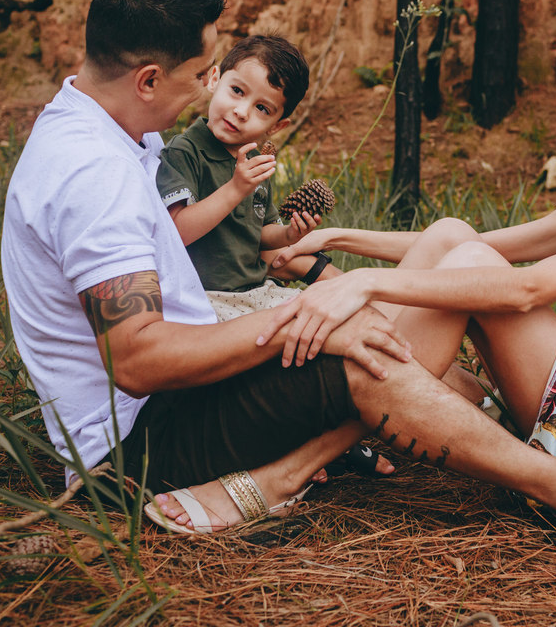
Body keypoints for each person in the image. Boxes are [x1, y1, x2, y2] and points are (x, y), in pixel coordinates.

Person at [1, 0, 556, 539]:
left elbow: (485, 260)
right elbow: (139, 358)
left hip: (181, 401)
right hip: (139, 449)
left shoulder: (109, 134)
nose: (210, 90)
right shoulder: (93, 175)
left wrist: (340, 271)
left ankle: (288, 469)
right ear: (148, 80)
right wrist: (305, 318)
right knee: (369, 356)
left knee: (389, 309)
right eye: (204, 73)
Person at [262, 41, 556, 474]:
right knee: (453, 234)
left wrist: (366, 282)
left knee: (467, 265)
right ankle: (325, 407)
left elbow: (526, 289)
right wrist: (334, 238)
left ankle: (303, 452)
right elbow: (459, 244)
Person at [154, 33, 391, 475]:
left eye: (262, 108)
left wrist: (287, 234)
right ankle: (298, 449)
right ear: (214, 79)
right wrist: (236, 187)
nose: (241, 111)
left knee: (324, 332)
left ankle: (330, 438)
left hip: (253, 289)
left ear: (277, 125)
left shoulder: (252, 161)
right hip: (209, 300)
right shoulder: (185, 152)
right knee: (287, 355)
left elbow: (252, 233)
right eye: (237, 91)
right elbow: (177, 231)